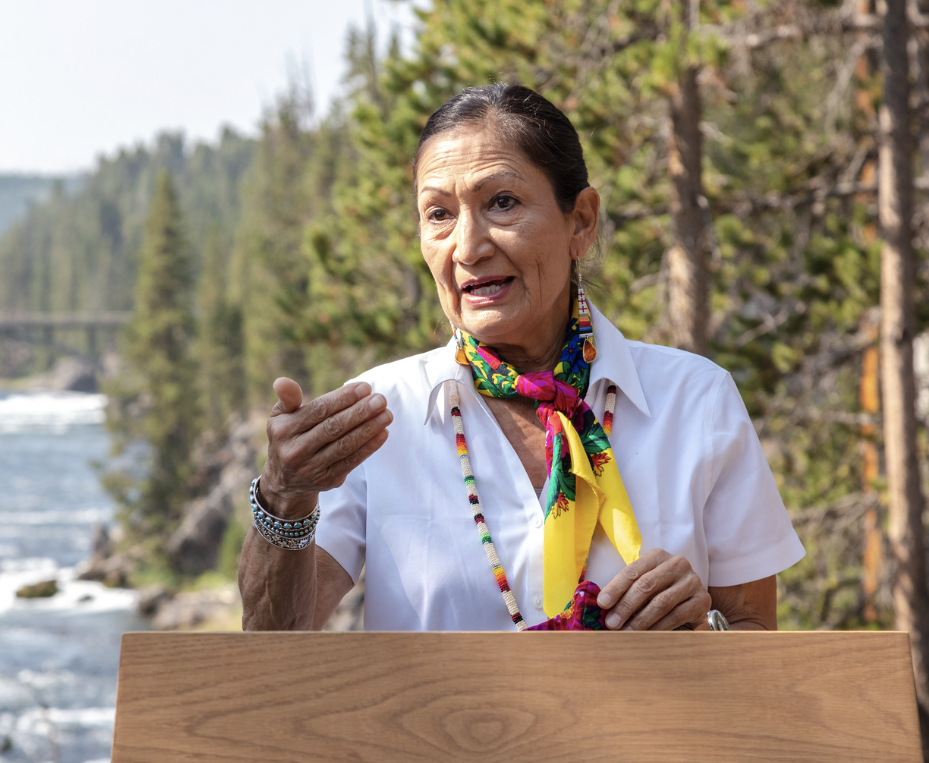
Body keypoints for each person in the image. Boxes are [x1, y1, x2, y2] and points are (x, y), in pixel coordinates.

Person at [238, 84, 804, 633]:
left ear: (580, 221)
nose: (466, 246)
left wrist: (702, 629)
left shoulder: (695, 402)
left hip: (642, 735)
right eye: (438, 214)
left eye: (501, 203)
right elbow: (273, 642)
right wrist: (285, 494)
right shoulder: (380, 417)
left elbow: (753, 630)